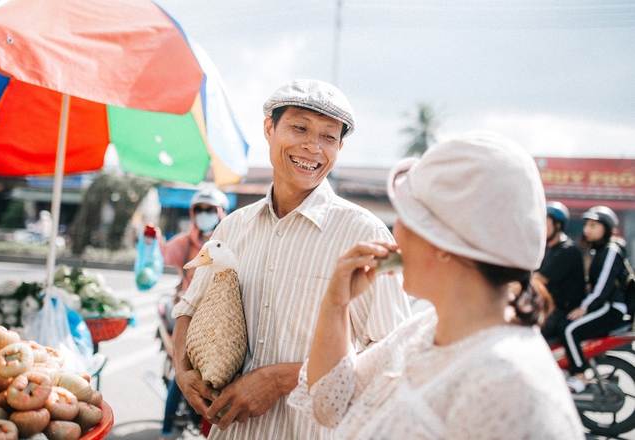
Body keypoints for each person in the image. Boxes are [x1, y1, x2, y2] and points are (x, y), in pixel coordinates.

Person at [289, 132, 584, 439]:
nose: (394, 233)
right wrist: (336, 304)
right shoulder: (427, 329)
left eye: (405, 217)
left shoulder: (509, 384)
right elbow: (329, 405)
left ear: (444, 242)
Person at [171, 79, 412, 440]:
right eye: (299, 128)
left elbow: (395, 360)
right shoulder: (233, 228)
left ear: (340, 146)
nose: (312, 147)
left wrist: (281, 378)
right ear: (269, 128)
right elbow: (188, 309)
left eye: (329, 137)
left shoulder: (366, 234)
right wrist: (182, 368)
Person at [159, 187, 229, 440]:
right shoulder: (185, 242)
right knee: (184, 374)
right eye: (198, 209)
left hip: (219, 321)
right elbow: (162, 256)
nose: (203, 214)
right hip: (189, 319)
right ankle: (166, 430)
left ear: (221, 212)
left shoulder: (232, 241)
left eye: (209, 210)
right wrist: (150, 241)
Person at [563, 205, 629, 393]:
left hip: (611, 307)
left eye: (594, 225)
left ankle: (580, 375)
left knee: (568, 329)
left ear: (606, 229)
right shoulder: (598, 250)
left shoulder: (611, 250)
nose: (587, 230)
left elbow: (602, 286)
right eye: (587, 225)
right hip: (603, 305)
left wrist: (584, 307)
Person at [534, 201, 586, 341]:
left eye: (546, 223)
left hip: (561, 313)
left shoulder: (567, 250)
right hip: (547, 309)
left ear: (558, 225)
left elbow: (538, 279)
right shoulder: (548, 249)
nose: (542, 228)